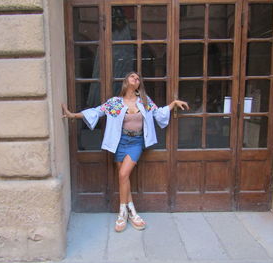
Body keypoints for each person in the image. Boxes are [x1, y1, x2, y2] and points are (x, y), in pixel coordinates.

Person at [61, 72, 189, 232]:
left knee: (122, 175)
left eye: (138, 78)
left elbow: (158, 114)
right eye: (133, 77)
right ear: (126, 81)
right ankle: (132, 213)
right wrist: (73, 115)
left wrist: (173, 104)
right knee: (124, 177)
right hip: (119, 142)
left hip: (136, 142)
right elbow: (97, 111)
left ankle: (122, 214)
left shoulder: (144, 101)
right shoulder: (115, 102)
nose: (136, 79)